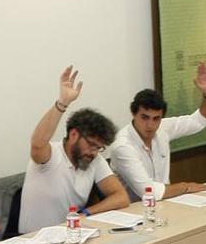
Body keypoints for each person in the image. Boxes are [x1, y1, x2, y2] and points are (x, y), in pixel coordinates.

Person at [19, 67, 130, 233]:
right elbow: (37, 143)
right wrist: (62, 103)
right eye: (92, 144)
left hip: (71, 235)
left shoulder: (94, 159)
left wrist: (86, 213)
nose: (94, 152)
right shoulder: (51, 156)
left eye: (99, 148)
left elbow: (121, 197)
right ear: (73, 134)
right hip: (35, 240)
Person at [109, 62, 206, 202]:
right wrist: (186, 187)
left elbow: (201, 120)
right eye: (145, 117)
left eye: (156, 119)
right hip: (136, 211)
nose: (150, 125)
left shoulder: (163, 128)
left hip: (165, 204)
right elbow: (149, 192)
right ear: (133, 113)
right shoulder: (123, 146)